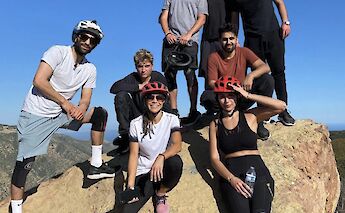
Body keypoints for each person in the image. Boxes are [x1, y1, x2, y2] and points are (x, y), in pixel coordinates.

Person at [10, 20, 118, 213]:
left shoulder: (90, 69)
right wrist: (66, 103)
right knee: (24, 164)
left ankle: (95, 166)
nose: (87, 42)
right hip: (37, 114)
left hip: (62, 113)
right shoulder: (57, 52)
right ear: (76, 36)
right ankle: (15, 208)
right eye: (84, 37)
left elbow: (85, 99)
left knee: (99, 114)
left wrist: (80, 108)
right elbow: (39, 80)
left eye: (92, 40)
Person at [209, 76, 286, 212]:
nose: (227, 101)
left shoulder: (251, 116)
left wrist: (248, 95)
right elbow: (215, 159)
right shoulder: (215, 124)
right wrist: (231, 179)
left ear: (237, 97)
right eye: (222, 97)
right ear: (217, 99)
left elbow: (281, 106)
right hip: (232, 177)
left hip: (259, 173)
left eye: (231, 96)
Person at [200, 23, 274, 140]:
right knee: (206, 97)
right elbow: (211, 82)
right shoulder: (213, 57)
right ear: (220, 41)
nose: (228, 42)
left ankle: (259, 121)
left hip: (242, 95)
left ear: (236, 39)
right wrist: (228, 87)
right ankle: (222, 119)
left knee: (267, 80)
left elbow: (265, 67)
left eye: (231, 38)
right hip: (225, 97)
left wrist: (250, 75)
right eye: (224, 39)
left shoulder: (244, 52)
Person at [229, 0, 295, 126]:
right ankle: (263, 113)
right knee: (260, 77)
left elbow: (279, 2)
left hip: (274, 34)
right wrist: (235, 37)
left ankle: (283, 111)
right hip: (252, 38)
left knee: (279, 72)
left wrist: (286, 22)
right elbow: (234, 18)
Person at [121, 81, 183, 213]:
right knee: (127, 211)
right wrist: (130, 186)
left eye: (159, 97)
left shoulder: (171, 119)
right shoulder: (136, 124)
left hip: (162, 169)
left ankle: (160, 194)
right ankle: (149, 190)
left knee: (175, 162)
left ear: (164, 100)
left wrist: (161, 157)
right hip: (144, 172)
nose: (155, 101)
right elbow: (133, 154)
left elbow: (177, 145)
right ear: (145, 100)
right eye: (150, 97)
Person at [110, 49, 171, 154]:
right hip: (138, 115)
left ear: (152, 66)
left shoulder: (158, 77)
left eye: (147, 66)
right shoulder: (133, 78)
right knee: (121, 96)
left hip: (155, 116)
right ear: (136, 67)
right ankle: (125, 137)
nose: (143, 70)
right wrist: (138, 87)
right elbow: (114, 88)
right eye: (140, 66)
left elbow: (165, 102)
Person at [159, 0, 208, 125]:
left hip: (190, 40)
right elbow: (164, 16)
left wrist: (188, 34)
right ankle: (174, 110)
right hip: (171, 40)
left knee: (190, 74)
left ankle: (193, 110)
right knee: (169, 75)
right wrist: (167, 33)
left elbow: (202, 18)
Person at [199, 0, 229, 90]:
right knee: (208, 73)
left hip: (224, 38)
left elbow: (234, 16)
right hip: (207, 39)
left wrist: (234, 35)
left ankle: (226, 99)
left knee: (225, 71)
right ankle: (211, 101)